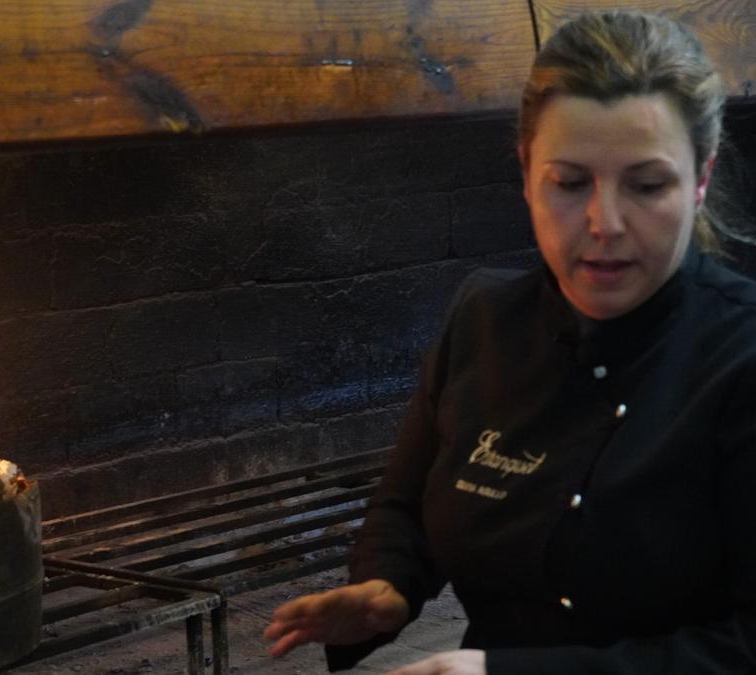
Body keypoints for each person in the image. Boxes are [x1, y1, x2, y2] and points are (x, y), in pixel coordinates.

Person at [264, 9, 756, 674]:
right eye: (569, 181)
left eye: (647, 184)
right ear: (526, 172)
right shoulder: (483, 319)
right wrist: (388, 584)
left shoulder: (741, 356)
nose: (604, 222)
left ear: (700, 180)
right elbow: (405, 505)